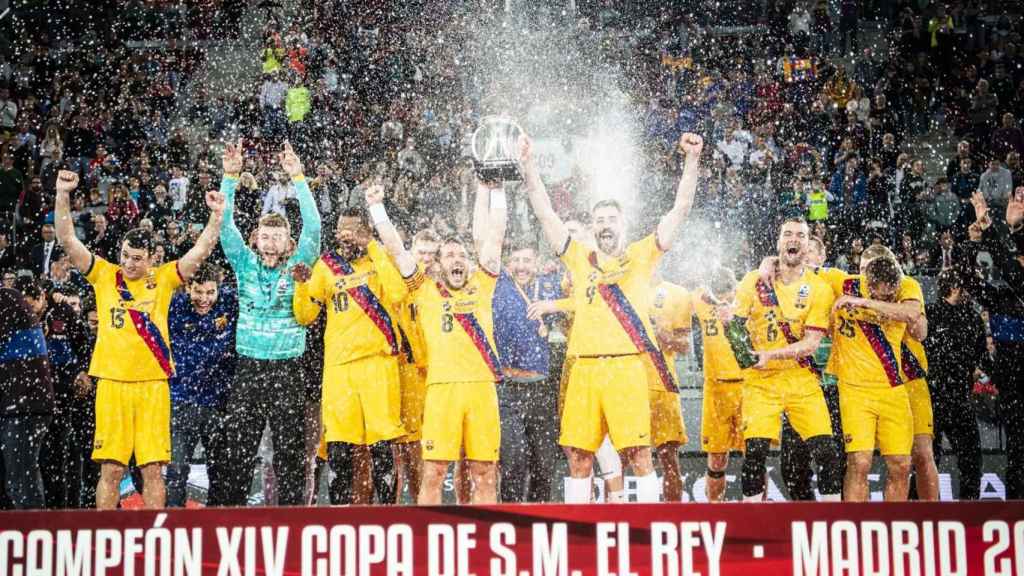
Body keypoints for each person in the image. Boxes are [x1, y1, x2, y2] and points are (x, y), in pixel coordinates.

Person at [519, 132, 704, 503]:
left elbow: (680, 209)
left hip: (626, 369)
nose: (605, 225)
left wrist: (692, 161)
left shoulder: (641, 255)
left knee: (639, 455)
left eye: (611, 219)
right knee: (579, 458)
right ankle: (580, 537)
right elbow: (544, 210)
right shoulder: (579, 258)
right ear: (592, 226)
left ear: (623, 223)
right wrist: (527, 166)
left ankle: (647, 536)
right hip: (584, 370)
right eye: (599, 219)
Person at [52, 169, 226, 510]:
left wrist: (217, 216)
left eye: (136, 259)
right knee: (111, 469)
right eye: (125, 256)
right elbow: (68, 241)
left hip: (152, 384)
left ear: (152, 259)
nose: (128, 264)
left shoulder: (163, 279)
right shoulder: (104, 274)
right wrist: (62, 194)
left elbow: (201, 250)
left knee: (153, 470)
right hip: (113, 383)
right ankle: (106, 542)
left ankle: (154, 543)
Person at [369, 176, 507, 505]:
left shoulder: (482, 285)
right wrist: (376, 208)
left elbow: (496, 234)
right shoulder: (424, 289)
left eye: (461, 255)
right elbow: (396, 248)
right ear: (438, 263)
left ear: (469, 263)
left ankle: (482, 547)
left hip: (481, 389)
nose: (456, 260)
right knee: (434, 472)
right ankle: (429, 546)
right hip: (442, 390)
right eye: (448, 255)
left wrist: (497, 190)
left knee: (484, 472)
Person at [211, 140, 322, 507]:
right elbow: (225, 226)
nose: (271, 243)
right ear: (256, 240)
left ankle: (292, 524)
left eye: (278, 237)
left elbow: (314, 227)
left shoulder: (298, 262)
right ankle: (231, 522)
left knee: (291, 454)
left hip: (289, 371)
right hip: (248, 370)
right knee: (237, 453)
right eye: (265, 237)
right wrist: (229, 176)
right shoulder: (244, 263)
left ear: (289, 242)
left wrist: (298, 177)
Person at [292, 206, 408, 505]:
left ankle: (388, 515)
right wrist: (301, 285)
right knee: (340, 447)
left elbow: (397, 294)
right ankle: (340, 515)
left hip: (378, 364)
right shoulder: (327, 265)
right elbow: (304, 315)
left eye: (353, 229)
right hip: (339, 370)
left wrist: (371, 244)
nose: (346, 235)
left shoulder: (378, 258)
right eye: (342, 229)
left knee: (382, 446)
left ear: (364, 230)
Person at [730, 216, 843, 502]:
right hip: (760, 381)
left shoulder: (820, 288)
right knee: (754, 454)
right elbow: (734, 324)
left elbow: (811, 344)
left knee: (827, 454)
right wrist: (746, 357)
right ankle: (751, 526)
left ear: (808, 245)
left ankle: (831, 527)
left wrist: (771, 354)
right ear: (779, 241)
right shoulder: (754, 280)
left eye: (801, 236)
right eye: (788, 234)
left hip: (800, 379)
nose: (794, 239)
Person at [826, 254, 926, 501]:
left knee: (901, 463)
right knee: (859, 462)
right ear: (868, 283)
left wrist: (866, 304)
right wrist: (767, 266)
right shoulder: (844, 283)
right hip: (855, 391)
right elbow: (806, 267)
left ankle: (892, 528)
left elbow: (913, 316)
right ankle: (855, 528)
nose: (888, 300)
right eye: (881, 296)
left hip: (893, 389)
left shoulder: (907, 285)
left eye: (891, 296)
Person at [492, 239, 562, 503]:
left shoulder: (550, 286)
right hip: (508, 389)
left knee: (544, 466)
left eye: (527, 261)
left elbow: (582, 299)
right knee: (513, 463)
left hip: (542, 390)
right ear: (507, 265)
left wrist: (552, 306)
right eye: (516, 261)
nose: (521, 266)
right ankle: (511, 522)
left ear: (538, 264)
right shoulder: (499, 286)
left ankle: (539, 522)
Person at [166, 263, 237, 508]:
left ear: (219, 290)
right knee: (176, 472)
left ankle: (218, 526)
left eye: (210, 293)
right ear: (188, 288)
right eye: (198, 292)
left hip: (218, 402)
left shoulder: (229, 302)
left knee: (220, 472)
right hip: (181, 400)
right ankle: (174, 528)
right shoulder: (174, 306)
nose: (204, 299)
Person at [925, 270, 986, 500]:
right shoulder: (930, 313)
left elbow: (981, 355)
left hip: (961, 396)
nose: (969, 293)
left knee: (971, 458)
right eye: (966, 288)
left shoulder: (973, 318)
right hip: (932, 397)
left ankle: (970, 508)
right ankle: (922, 511)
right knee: (928, 458)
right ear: (954, 288)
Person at [391, 229, 439, 503]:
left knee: (427, 450)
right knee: (404, 446)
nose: (427, 260)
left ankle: (423, 511)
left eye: (432, 255)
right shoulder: (401, 284)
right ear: (410, 252)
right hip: (408, 374)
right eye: (422, 253)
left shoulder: (443, 287)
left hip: (437, 376)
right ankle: (398, 510)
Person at [692, 267, 745, 502]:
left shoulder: (747, 302)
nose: (725, 301)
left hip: (748, 387)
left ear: (736, 288)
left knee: (754, 456)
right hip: (715, 389)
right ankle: (714, 510)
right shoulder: (702, 301)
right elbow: (697, 293)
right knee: (716, 459)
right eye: (719, 297)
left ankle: (760, 514)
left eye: (729, 296)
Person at [0, 284, 54, 509]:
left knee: (21, 481)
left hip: (24, 407)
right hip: (18, 405)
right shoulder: (8, 298)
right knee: (18, 480)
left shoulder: (6, 300)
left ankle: (35, 536)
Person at [648, 279, 692, 502]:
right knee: (619, 460)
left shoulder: (677, 293)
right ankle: (616, 523)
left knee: (668, 457)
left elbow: (684, 346)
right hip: (626, 385)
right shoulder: (621, 288)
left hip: (662, 385)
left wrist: (664, 336)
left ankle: (673, 516)